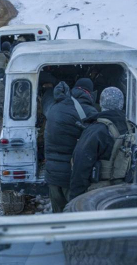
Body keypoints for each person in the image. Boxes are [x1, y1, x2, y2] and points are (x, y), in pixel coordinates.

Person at [41, 78, 98, 213]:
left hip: (52, 174)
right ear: (90, 93)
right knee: (75, 214)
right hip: (72, 176)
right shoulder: (89, 112)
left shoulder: (55, 107)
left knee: (59, 214)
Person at [69, 86, 135, 201]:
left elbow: (80, 165)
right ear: (121, 103)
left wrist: (75, 198)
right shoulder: (128, 126)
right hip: (122, 190)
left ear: (101, 102)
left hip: (98, 193)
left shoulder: (97, 130)